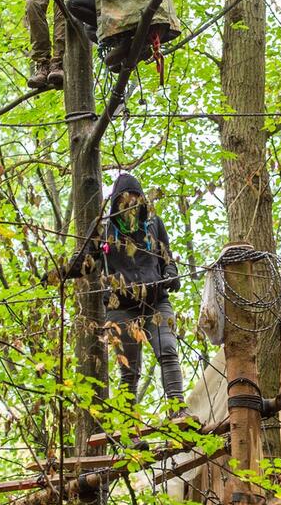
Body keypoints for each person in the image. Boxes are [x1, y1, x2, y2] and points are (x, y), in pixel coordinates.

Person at [51, 172, 185, 408]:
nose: (130, 202)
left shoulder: (154, 224)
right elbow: (84, 263)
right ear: (116, 201)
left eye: (135, 197)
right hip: (120, 307)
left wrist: (171, 275)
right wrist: (58, 273)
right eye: (124, 198)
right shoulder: (103, 227)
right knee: (129, 369)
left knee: (168, 351)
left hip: (155, 302)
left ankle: (177, 410)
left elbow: (167, 260)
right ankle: (130, 433)